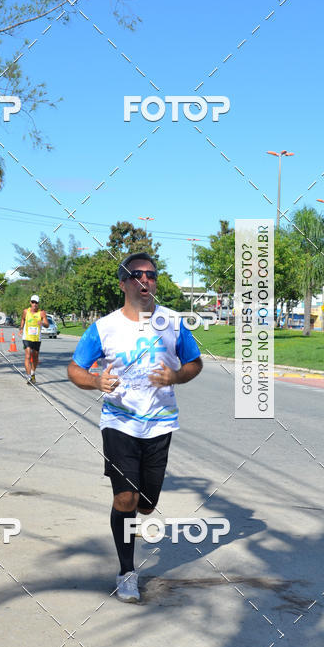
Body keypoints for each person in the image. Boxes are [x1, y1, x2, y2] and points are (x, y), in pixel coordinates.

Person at [67, 253, 203, 603]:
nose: (145, 280)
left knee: (146, 505)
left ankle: (136, 516)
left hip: (160, 424)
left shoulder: (173, 323)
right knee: (125, 498)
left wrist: (176, 375)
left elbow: (195, 363)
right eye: (137, 275)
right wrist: (96, 382)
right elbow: (75, 369)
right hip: (119, 422)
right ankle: (127, 572)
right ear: (123, 283)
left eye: (152, 275)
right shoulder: (103, 328)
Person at [19, 294, 49, 384]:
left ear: (38, 304)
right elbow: (23, 319)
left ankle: (32, 374)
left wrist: (42, 323)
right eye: (33, 302)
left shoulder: (42, 313)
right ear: (30, 303)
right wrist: (21, 328)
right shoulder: (25, 311)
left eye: (36, 302)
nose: (34, 304)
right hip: (27, 337)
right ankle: (28, 377)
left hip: (36, 338)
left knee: (35, 357)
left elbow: (47, 325)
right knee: (27, 355)